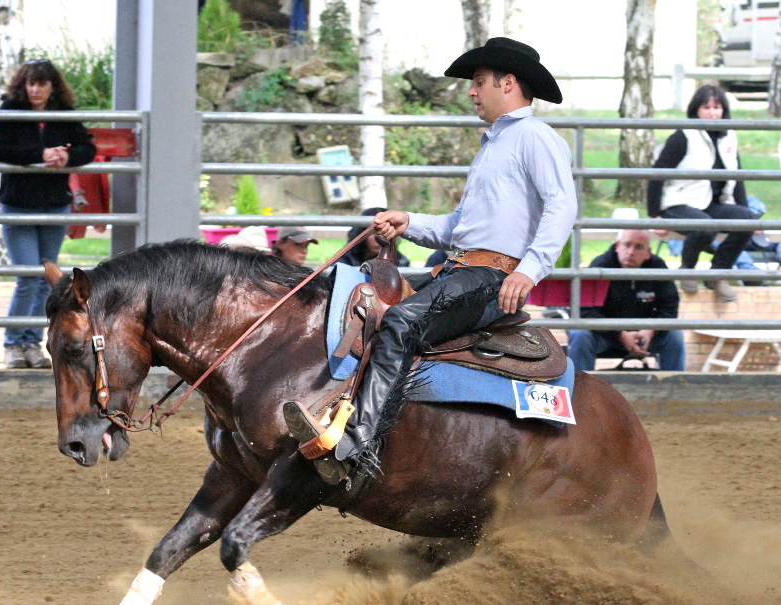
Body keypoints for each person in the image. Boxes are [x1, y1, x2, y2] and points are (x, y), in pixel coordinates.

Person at [283, 37, 576, 477]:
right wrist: (409, 222)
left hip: (492, 277)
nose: (472, 91)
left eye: (479, 82)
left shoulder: (534, 136)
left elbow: (562, 206)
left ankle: (359, 442)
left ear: (509, 83)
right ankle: (345, 415)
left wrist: (529, 271)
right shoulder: (496, 146)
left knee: (401, 322)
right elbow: (460, 227)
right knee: (372, 311)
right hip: (463, 269)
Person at [0, 59, 96, 369]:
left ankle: (32, 343)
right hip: (18, 204)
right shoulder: (9, 111)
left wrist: (67, 155)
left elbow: (87, 148)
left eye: (42, 83)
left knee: (46, 280)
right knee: (28, 274)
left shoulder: (64, 114)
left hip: (54, 204)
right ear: (23, 86)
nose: (36, 89)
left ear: (53, 87)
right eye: (31, 83)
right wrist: (41, 155)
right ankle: (14, 344)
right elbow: (0, 150)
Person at [648, 84, 757, 303]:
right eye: (706, 107)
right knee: (704, 225)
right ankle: (687, 270)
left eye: (717, 107)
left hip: (711, 204)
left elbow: (738, 178)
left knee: (747, 221)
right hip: (679, 203)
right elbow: (656, 175)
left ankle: (718, 275)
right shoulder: (683, 136)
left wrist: (746, 210)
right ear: (696, 110)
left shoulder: (729, 137)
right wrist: (654, 216)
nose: (712, 112)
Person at [568, 229, 685, 371]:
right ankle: (578, 389)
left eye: (638, 247)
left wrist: (651, 329)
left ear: (648, 252)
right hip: (606, 336)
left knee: (674, 335)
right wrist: (619, 334)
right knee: (580, 334)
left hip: (644, 337)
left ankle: (674, 389)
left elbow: (670, 308)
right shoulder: (600, 266)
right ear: (618, 245)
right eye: (627, 245)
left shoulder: (657, 267)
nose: (630, 252)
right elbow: (584, 310)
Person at [338, 208, 410, 268]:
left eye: (386, 233)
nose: (380, 239)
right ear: (361, 235)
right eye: (374, 234)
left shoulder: (401, 261)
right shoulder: (345, 260)